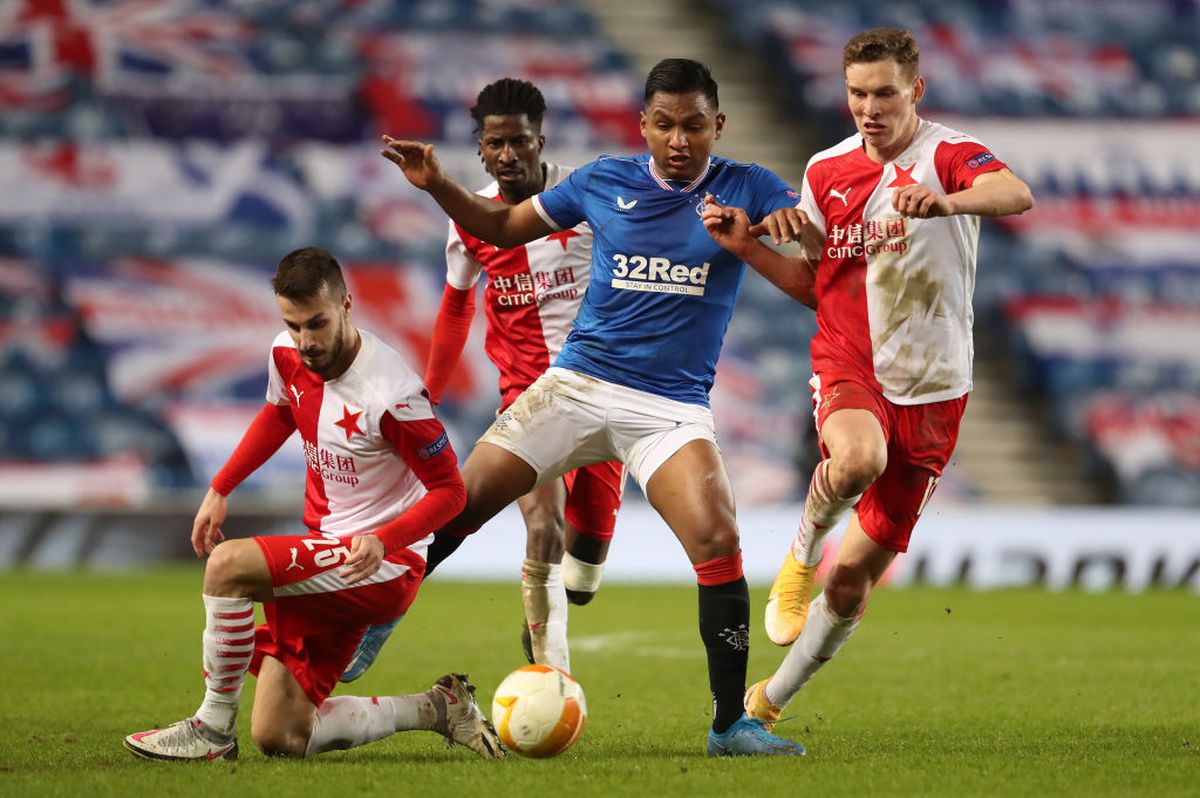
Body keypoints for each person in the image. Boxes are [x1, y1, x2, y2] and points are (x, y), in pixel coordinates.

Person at [379, 58, 806, 757]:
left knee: (718, 540)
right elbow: (506, 224)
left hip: (670, 407)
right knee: (461, 499)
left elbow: (818, 274)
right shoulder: (606, 179)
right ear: (643, 125)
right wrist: (440, 188)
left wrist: (780, 232)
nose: (678, 140)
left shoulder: (749, 187)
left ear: (717, 125)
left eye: (693, 125)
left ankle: (730, 724)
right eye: (664, 124)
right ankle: (363, 620)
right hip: (575, 384)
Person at [701, 27, 1034, 731]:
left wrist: (950, 202)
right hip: (851, 359)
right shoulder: (827, 170)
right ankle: (799, 554)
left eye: (884, 93)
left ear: (915, 90)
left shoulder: (946, 155)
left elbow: (1014, 193)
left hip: (937, 387)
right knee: (856, 458)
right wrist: (746, 246)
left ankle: (771, 701)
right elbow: (819, 283)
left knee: (853, 583)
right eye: (857, 93)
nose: (869, 107)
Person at [123, 247, 504, 762]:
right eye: (294, 324)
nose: (306, 341)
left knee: (228, 566)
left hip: (382, 564)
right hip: (326, 552)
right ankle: (439, 708)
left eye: (317, 324)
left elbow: (451, 492)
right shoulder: (286, 353)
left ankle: (211, 731)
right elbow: (279, 413)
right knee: (281, 735)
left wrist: (383, 540)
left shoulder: (394, 395)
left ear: (347, 304)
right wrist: (220, 488)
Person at [341, 78, 625, 683]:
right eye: (495, 143)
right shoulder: (468, 216)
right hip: (528, 396)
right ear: (480, 148)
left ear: (540, 140)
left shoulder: (588, 198)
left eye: (519, 141)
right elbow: (454, 307)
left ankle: (549, 609)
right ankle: (550, 677)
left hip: (601, 395)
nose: (507, 154)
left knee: (583, 572)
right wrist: (431, 393)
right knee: (515, 519)